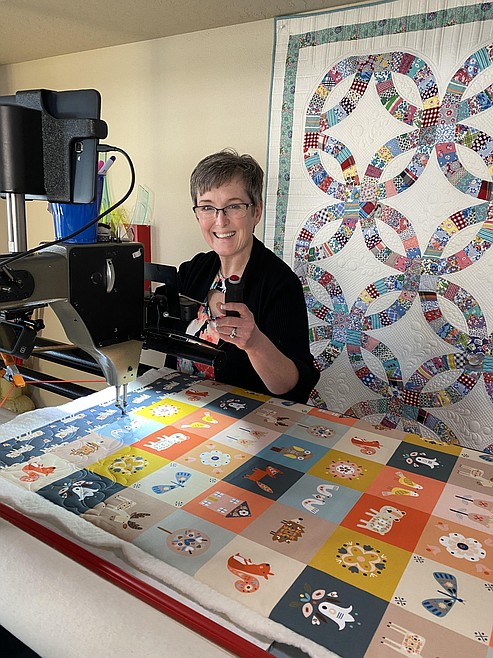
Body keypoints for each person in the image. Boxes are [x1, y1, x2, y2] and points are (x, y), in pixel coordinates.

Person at [167, 149, 319, 403]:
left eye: (234, 206)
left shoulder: (280, 284)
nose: (220, 221)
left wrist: (255, 343)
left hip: (245, 420)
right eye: (207, 207)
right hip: (182, 411)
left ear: (256, 211)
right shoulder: (193, 270)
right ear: (197, 214)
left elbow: (293, 387)